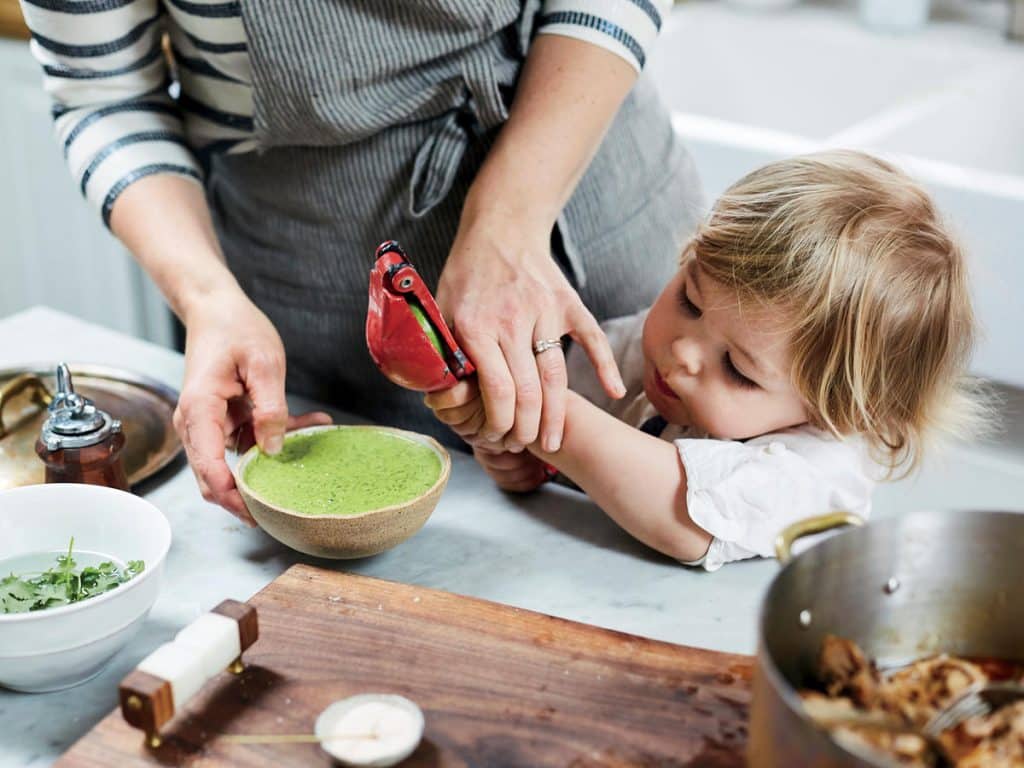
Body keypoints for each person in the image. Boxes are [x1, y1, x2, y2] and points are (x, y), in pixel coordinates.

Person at [19, 0, 702, 523]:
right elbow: (102, 93)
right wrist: (208, 300)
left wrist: (510, 223)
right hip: (312, 293)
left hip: (586, 190)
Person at [426, 151, 990, 570]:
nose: (683, 353)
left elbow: (681, 510)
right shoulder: (646, 359)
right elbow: (563, 423)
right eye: (689, 300)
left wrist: (550, 421)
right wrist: (515, 441)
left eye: (739, 370)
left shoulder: (817, 476)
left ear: (836, 412)